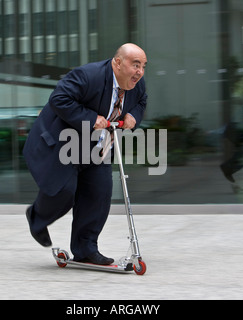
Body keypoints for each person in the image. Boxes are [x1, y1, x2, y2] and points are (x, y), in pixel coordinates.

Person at [23, 43, 148, 265]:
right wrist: (92, 118)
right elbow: (59, 99)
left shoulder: (136, 84)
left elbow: (141, 101)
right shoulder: (88, 75)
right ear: (117, 63)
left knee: (99, 193)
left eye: (143, 66)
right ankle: (36, 216)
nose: (140, 71)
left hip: (97, 146)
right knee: (63, 190)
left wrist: (133, 117)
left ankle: (85, 248)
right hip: (64, 141)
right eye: (135, 65)